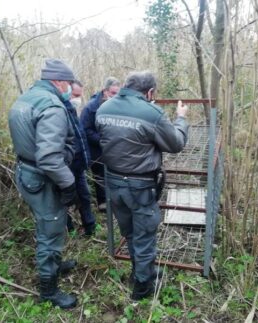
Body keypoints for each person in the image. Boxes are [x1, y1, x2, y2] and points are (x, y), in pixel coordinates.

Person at [95, 71, 189, 301]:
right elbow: (175, 143)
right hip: (140, 186)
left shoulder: (104, 108)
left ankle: (141, 271)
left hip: (114, 183)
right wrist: (181, 118)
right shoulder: (152, 113)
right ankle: (142, 288)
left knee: (130, 232)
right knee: (144, 234)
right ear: (149, 93)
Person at [8, 59, 79, 309]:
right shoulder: (52, 106)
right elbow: (49, 158)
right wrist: (69, 184)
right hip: (42, 178)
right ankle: (49, 291)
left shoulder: (28, 97)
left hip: (26, 172)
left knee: (46, 224)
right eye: (69, 83)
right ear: (59, 82)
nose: (71, 88)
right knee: (51, 229)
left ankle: (55, 265)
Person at [80, 77, 121, 211]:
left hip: (113, 148)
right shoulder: (91, 108)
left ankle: (116, 200)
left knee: (115, 174)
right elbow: (85, 130)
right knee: (100, 175)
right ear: (105, 91)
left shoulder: (117, 106)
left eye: (118, 93)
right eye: (113, 93)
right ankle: (103, 202)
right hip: (96, 150)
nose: (115, 96)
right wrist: (101, 140)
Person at [64, 80, 96, 235]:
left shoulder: (74, 111)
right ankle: (68, 229)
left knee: (84, 195)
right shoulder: (57, 110)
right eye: (75, 95)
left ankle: (89, 227)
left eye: (80, 95)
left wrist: (85, 161)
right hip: (64, 165)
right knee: (63, 198)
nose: (78, 99)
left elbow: (81, 138)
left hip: (78, 165)